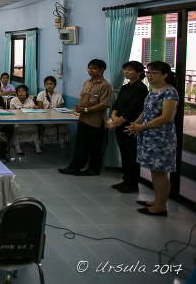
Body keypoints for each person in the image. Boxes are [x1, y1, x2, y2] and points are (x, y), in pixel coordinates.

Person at [126, 61, 178, 216]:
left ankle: (161, 206)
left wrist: (143, 126)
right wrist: (136, 124)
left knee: (161, 172)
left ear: (165, 75)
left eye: (153, 73)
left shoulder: (170, 92)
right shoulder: (153, 90)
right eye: (148, 73)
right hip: (148, 135)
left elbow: (166, 117)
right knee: (154, 171)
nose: (149, 75)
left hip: (161, 138)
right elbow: (146, 111)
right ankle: (157, 200)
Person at [59, 59, 112, 176]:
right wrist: (80, 107)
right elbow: (82, 96)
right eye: (89, 68)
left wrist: (86, 109)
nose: (90, 71)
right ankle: (75, 167)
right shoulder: (87, 82)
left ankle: (94, 169)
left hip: (96, 121)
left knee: (95, 147)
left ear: (101, 70)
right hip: (83, 119)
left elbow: (104, 104)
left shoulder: (105, 85)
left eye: (93, 68)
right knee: (81, 145)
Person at [107, 61, 148, 194]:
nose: (127, 72)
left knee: (131, 155)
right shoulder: (125, 87)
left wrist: (118, 121)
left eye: (130, 70)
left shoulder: (141, 89)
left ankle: (132, 183)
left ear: (139, 72)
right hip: (119, 124)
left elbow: (134, 108)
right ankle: (125, 180)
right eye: (126, 70)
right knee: (124, 153)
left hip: (131, 126)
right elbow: (117, 104)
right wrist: (113, 116)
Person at [36, 76, 69, 149]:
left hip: (55, 116)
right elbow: (41, 109)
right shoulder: (41, 94)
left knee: (63, 125)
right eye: (47, 84)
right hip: (44, 117)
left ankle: (61, 140)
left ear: (55, 85)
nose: (49, 86)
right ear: (44, 84)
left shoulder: (58, 95)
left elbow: (59, 108)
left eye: (51, 84)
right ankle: (42, 139)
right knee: (48, 126)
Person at [9, 85, 42, 154]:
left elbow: (34, 113)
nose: (21, 93)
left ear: (26, 92)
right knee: (17, 128)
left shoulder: (30, 101)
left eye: (23, 91)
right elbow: (11, 112)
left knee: (34, 128)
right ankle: (17, 147)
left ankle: (37, 146)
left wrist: (35, 108)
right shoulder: (13, 100)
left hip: (29, 121)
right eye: (19, 91)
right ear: (17, 93)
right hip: (17, 121)